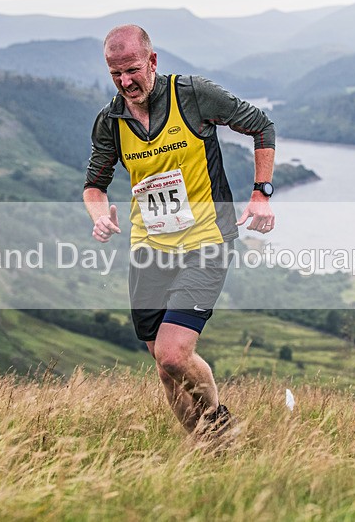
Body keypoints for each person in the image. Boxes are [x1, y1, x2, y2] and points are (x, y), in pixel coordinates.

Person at [82, 24, 276, 439]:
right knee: (164, 366)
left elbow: (261, 125)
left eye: (132, 70)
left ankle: (221, 428)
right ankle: (207, 449)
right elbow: (94, 185)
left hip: (206, 240)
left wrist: (261, 192)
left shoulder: (192, 95)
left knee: (173, 354)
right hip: (149, 248)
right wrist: (98, 215)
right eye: (115, 74)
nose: (125, 82)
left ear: (153, 61)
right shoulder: (110, 121)